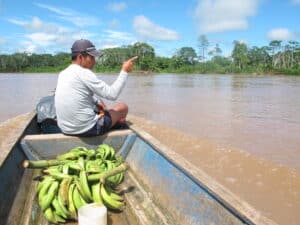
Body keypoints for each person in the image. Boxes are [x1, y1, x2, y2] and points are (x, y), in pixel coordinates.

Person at [55, 39, 137, 136]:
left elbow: (81, 93)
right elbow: (112, 94)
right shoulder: (84, 73)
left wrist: (97, 102)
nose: (94, 62)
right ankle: (113, 128)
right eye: (92, 58)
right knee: (123, 107)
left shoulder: (63, 73)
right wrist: (124, 71)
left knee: (100, 103)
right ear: (80, 57)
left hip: (65, 129)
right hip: (87, 129)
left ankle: (109, 121)